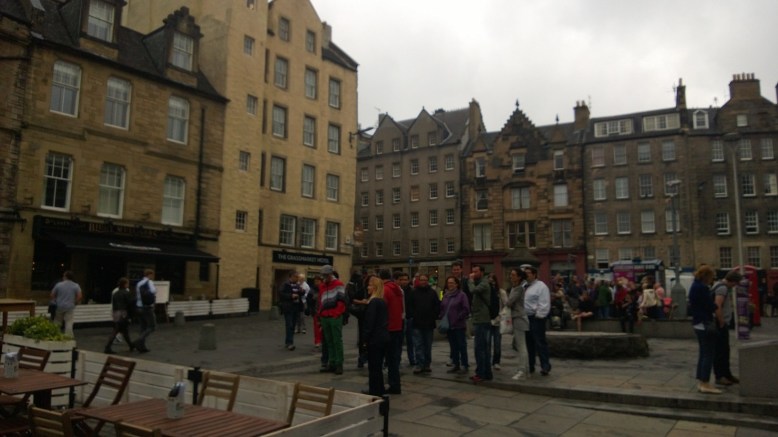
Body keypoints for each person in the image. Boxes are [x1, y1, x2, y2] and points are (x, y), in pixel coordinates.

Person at [688, 265, 721, 394]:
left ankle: (701, 381)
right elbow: (710, 305)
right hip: (704, 323)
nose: (712, 279)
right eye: (711, 276)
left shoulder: (694, 286)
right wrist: (714, 305)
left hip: (697, 323)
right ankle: (705, 383)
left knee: (703, 353)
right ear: (706, 276)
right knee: (708, 354)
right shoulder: (702, 288)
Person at [712, 270, 743, 386]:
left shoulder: (720, 286)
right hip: (719, 323)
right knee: (720, 351)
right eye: (736, 283)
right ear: (732, 281)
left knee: (725, 350)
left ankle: (727, 374)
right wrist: (721, 322)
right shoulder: (722, 288)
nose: (735, 286)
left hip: (721, 322)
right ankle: (720, 376)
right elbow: (717, 305)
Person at [361, 276, 389, 396]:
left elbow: (369, 323)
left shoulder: (373, 302)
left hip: (375, 338)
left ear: (374, 287)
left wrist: (364, 339)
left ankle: (375, 390)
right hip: (383, 337)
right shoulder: (382, 301)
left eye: (370, 285)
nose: (368, 287)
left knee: (374, 367)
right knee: (378, 366)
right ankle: (379, 389)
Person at [318, 265, 347, 375]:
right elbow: (321, 301)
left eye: (326, 275)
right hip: (325, 316)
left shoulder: (338, 284)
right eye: (324, 275)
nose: (325, 277)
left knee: (337, 340)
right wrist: (320, 314)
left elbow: (342, 301)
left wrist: (336, 313)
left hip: (335, 316)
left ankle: (339, 364)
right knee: (329, 341)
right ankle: (332, 362)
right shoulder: (322, 286)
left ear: (331, 274)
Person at [523, 264, 551, 376]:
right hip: (526, 317)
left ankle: (545, 365)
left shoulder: (541, 286)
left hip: (536, 317)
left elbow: (544, 302)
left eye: (528, 273)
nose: (526, 276)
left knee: (540, 342)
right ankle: (530, 365)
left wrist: (540, 315)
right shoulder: (524, 286)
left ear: (534, 274)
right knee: (529, 343)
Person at [410, 274, 439, 374]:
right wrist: (414, 315)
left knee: (427, 345)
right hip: (417, 323)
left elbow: (437, 306)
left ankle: (427, 364)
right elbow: (410, 306)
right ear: (419, 281)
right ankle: (419, 364)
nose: (423, 282)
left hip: (429, 324)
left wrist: (434, 316)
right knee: (418, 345)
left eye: (425, 280)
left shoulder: (433, 293)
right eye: (422, 280)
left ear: (428, 281)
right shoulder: (414, 293)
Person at [440, 276, 469, 374]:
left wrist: (458, 317)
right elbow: (443, 307)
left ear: (456, 284)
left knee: (461, 346)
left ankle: (464, 365)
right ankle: (456, 365)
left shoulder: (462, 295)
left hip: (459, 325)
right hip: (449, 326)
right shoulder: (446, 295)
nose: (450, 285)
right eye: (449, 283)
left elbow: (466, 309)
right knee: (453, 347)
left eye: (452, 283)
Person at [381, 269, 404, 394]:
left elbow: (382, 309)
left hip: (388, 328)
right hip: (397, 327)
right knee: (394, 359)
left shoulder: (385, 290)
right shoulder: (398, 290)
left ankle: (392, 385)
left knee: (389, 359)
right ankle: (395, 384)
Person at [469, 264, 492, 383]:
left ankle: (481, 373)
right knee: (483, 348)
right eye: (472, 271)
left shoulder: (483, 283)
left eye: (476, 272)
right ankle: (486, 373)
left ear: (482, 272)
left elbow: (473, 290)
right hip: (479, 318)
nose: (473, 274)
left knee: (480, 348)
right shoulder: (481, 282)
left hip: (482, 319)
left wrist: (470, 281)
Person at [506, 268, 529, 380]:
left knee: (521, 346)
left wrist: (503, 296)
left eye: (513, 275)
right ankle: (526, 369)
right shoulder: (515, 288)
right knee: (520, 345)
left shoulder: (519, 288)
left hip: (519, 318)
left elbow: (509, 302)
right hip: (517, 318)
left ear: (519, 277)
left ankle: (522, 370)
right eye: (511, 274)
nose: (511, 276)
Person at [104, 277, 134, 354]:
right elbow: (130, 304)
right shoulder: (126, 293)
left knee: (123, 330)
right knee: (118, 330)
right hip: (123, 313)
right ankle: (107, 347)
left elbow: (113, 304)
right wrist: (130, 316)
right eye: (127, 283)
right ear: (125, 284)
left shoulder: (116, 293)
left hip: (116, 312)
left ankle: (131, 345)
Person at [50, 270, 82, 337]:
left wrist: (55, 301)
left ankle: (55, 334)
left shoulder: (59, 285)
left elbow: (52, 295)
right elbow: (79, 296)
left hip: (59, 306)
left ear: (65, 277)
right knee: (69, 322)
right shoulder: (76, 285)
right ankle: (68, 336)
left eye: (63, 275)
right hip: (70, 306)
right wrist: (75, 302)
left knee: (57, 321)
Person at [133, 269, 156, 353]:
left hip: (139, 307)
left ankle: (142, 347)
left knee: (143, 327)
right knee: (152, 326)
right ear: (150, 275)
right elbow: (153, 291)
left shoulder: (139, 283)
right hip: (147, 307)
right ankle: (138, 341)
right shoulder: (149, 282)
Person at [487, 273, 507, 370]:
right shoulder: (486, 292)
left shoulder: (500, 292)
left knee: (497, 343)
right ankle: (488, 360)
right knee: (487, 343)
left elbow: (506, 306)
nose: (492, 282)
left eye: (493, 280)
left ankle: (496, 361)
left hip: (498, 321)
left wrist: (500, 316)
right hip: (487, 320)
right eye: (489, 280)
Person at [396, 272, 416, 368]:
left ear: (408, 280)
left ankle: (412, 359)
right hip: (400, 319)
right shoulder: (397, 291)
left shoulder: (412, 291)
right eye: (402, 279)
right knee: (399, 341)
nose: (404, 281)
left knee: (410, 341)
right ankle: (398, 359)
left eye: (405, 279)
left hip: (410, 318)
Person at [279, 270, 301, 351]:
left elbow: (300, 294)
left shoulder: (297, 285)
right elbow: (281, 293)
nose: (297, 278)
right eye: (296, 277)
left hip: (296, 307)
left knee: (293, 325)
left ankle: (288, 341)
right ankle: (289, 343)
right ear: (291, 277)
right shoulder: (285, 284)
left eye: (298, 277)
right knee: (289, 325)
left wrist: (302, 291)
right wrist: (290, 296)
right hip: (288, 307)